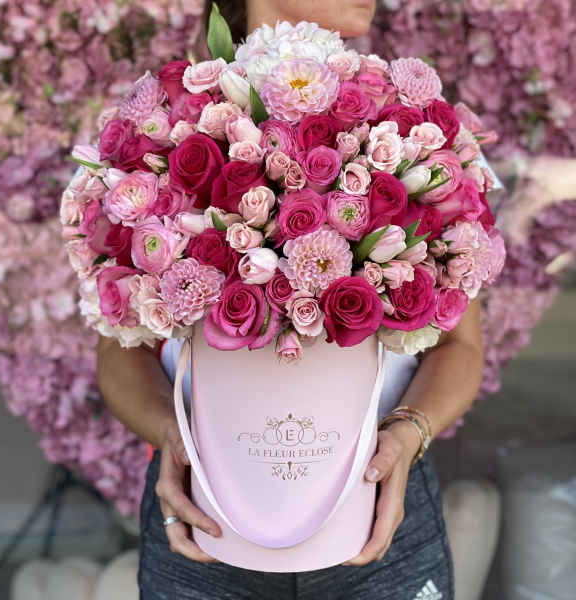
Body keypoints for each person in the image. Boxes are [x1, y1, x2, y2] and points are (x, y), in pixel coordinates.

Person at [97, 1, 485, 598]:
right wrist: (170, 436)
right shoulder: (163, 130)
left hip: (381, 515)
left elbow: (461, 344)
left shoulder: (420, 134)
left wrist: (408, 434)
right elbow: (118, 349)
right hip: (207, 521)